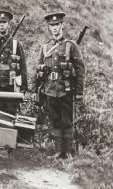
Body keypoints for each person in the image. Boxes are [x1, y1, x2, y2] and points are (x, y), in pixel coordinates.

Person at [35, 12, 85, 159]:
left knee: (67, 121)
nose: (55, 28)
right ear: (48, 28)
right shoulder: (45, 47)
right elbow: (39, 68)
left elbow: (80, 69)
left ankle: (68, 152)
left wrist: (79, 91)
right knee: (55, 120)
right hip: (50, 90)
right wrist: (36, 89)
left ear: (62, 25)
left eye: (57, 25)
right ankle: (58, 151)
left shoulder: (71, 46)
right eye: (52, 25)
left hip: (66, 90)